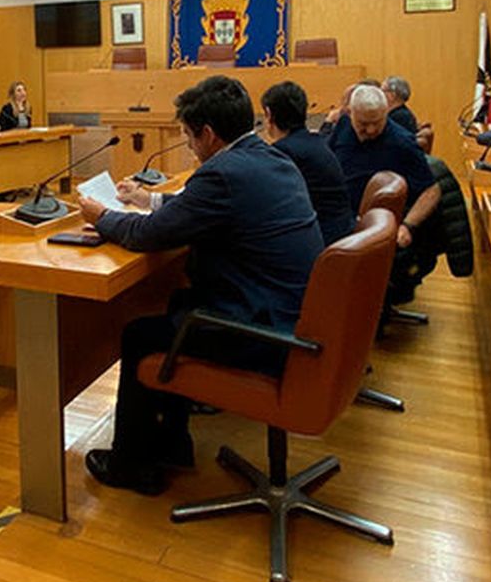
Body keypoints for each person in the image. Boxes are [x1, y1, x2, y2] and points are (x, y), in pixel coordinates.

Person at [78, 75, 323, 495]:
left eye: (189, 136)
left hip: (263, 333)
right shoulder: (269, 158)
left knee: (140, 334)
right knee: (178, 302)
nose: (189, 145)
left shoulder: (222, 173)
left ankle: (131, 464)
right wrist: (150, 200)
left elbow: (148, 237)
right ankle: (173, 442)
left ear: (208, 134)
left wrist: (101, 216)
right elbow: (210, 209)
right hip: (293, 319)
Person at [328, 85, 444, 307]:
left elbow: (432, 190)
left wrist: (407, 225)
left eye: (377, 123)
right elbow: (329, 161)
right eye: (363, 124)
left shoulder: (402, 143)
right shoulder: (342, 126)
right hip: (345, 217)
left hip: (381, 227)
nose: (371, 130)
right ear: (350, 114)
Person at [259, 81, 353, 246]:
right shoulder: (316, 141)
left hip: (320, 242)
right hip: (342, 233)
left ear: (268, 114)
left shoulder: (282, 152)